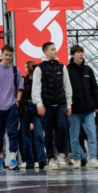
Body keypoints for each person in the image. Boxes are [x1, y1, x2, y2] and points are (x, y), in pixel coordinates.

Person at [31, 41, 72, 170]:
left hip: (60, 104)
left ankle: (61, 154)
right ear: (46, 52)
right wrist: (39, 104)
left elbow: (67, 86)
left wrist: (69, 104)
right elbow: (36, 88)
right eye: (53, 49)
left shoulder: (62, 67)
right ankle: (50, 158)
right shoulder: (39, 68)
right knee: (47, 132)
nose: (55, 51)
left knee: (63, 127)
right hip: (46, 105)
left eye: (55, 49)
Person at [66, 44, 98, 169]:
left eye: (82, 52)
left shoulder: (88, 70)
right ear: (73, 55)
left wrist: (97, 104)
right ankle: (76, 159)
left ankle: (92, 158)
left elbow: (94, 87)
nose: (81, 54)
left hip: (88, 109)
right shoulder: (67, 70)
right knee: (74, 136)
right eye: (78, 52)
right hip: (74, 110)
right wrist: (67, 105)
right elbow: (65, 88)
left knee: (92, 134)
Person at [18, 61, 46, 170]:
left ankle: (41, 159)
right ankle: (29, 161)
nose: (24, 69)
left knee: (38, 134)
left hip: (35, 107)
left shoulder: (39, 81)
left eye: (26, 67)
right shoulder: (23, 81)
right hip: (25, 108)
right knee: (25, 136)